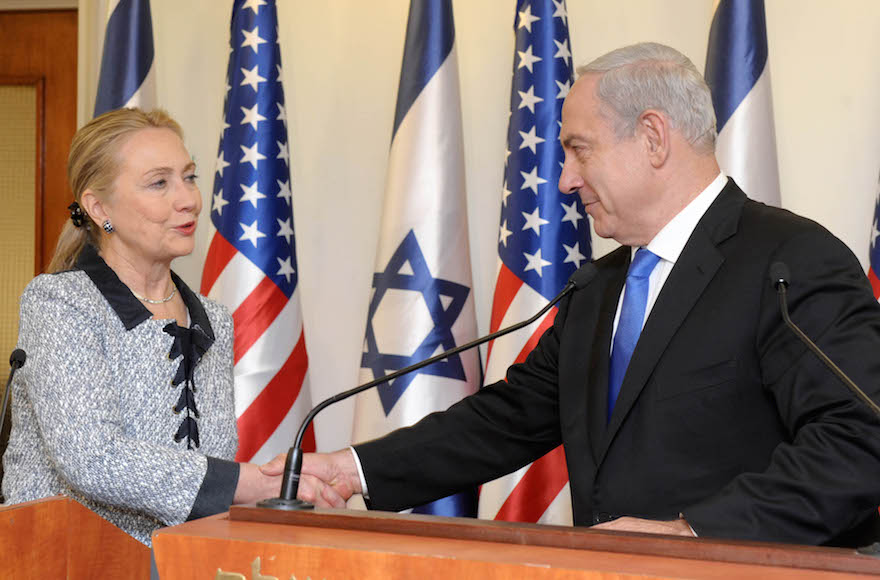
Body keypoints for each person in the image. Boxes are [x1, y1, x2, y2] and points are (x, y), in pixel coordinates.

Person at [287, 43, 880, 546]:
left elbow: (860, 442)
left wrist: (688, 532)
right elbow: (508, 420)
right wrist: (352, 468)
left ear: (652, 137)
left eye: (580, 149)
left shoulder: (790, 261)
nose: (566, 179)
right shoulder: (601, 286)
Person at [1, 108, 281, 546]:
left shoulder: (214, 320)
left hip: (184, 565)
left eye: (189, 176)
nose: (187, 199)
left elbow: (210, 465)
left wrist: (267, 482)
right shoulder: (59, 303)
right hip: (66, 563)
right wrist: (248, 483)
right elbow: (93, 458)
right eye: (159, 183)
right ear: (98, 208)